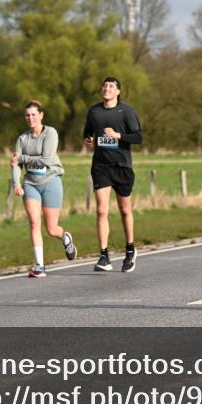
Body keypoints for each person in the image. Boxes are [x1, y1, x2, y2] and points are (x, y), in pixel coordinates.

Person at [83, 77, 143, 273]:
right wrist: (89, 139)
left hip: (122, 166)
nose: (106, 88)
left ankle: (130, 250)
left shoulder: (126, 111)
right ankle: (103, 256)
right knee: (101, 210)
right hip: (101, 166)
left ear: (118, 91)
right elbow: (87, 132)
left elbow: (138, 137)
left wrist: (119, 136)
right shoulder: (94, 111)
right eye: (104, 85)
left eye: (111, 86)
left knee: (125, 210)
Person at [11, 101, 76, 278]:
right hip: (31, 184)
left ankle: (65, 237)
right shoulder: (22, 139)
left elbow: (46, 159)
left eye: (33, 114)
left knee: (51, 228)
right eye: (27, 115)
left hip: (51, 181)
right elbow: (15, 165)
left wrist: (22, 158)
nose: (30, 118)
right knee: (34, 222)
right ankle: (40, 265)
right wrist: (16, 183)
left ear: (41, 115)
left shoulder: (51, 133)